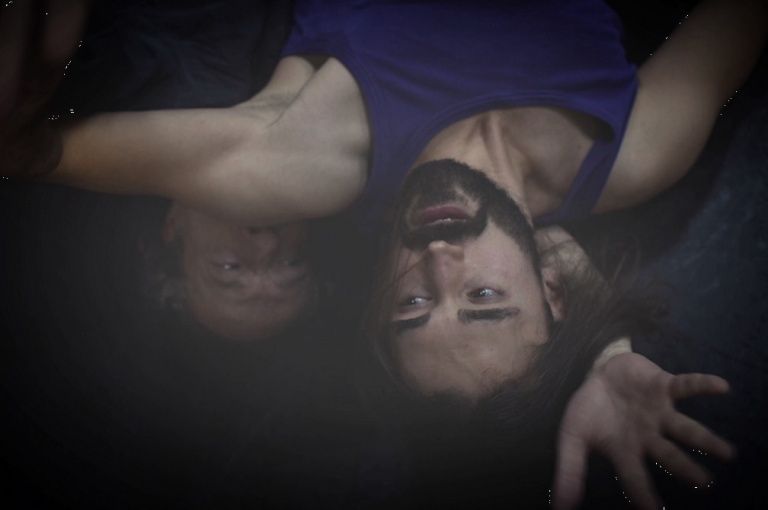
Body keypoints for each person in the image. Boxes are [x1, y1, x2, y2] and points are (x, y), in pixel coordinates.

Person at [1, 0, 765, 506]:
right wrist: (607, 354)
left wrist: (29, 133)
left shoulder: (309, 157)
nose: (438, 263)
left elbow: (41, 152)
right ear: (550, 292)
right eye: (483, 301)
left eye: (412, 307)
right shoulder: (633, 154)